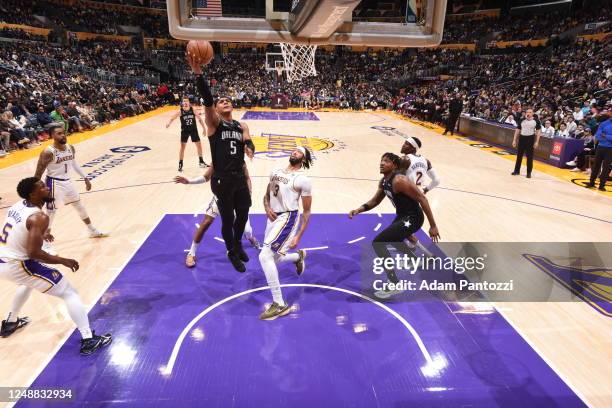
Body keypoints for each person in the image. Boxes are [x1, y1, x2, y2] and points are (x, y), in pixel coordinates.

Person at [0, 177, 111, 355]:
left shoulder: (18, 205)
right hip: (19, 264)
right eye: (43, 187)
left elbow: (20, 230)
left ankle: (10, 322)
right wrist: (63, 260)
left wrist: (40, 236)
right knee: (69, 292)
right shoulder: (40, 217)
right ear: (33, 194)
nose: (47, 188)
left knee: (27, 283)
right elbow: (33, 253)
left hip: (3, 260)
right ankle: (88, 340)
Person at [188, 50, 255, 272]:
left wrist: (250, 146)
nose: (225, 101)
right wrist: (198, 74)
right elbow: (207, 99)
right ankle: (231, 252)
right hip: (221, 180)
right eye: (221, 101)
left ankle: (237, 244)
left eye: (228, 100)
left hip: (238, 177)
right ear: (215, 110)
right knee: (227, 220)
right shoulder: (214, 124)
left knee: (243, 215)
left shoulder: (240, 125)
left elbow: (248, 140)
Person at [349, 153, 440, 299]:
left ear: (395, 165)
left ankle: (395, 283)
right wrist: (359, 209)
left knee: (379, 242)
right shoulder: (384, 181)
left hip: (413, 218)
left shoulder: (399, 180)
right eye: (381, 160)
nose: (382, 163)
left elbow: (422, 198)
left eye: (387, 161)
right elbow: (375, 201)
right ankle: (415, 261)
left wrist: (433, 225)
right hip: (403, 217)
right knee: (392, 238)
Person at [33, 124, 108, 255]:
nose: (63, 135)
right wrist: (36, 191)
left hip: (68, 182)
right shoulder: (48, 152)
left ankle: (91, 230)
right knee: (51, 212)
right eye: (59, 133)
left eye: (63, 133)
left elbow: (74, 164)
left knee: (79, 206)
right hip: (54, 183)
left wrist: (85, 177)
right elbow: (38, 172)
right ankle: (44, 243)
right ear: (52, 136)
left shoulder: (70, 148)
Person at [259, 147, 312, 320]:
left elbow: (306, 211)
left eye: (299, 152)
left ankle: (280, 304)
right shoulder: (275, 171)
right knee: (274, 258)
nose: (295, 153)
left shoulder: (302, 179)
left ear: (303, 159)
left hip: (288, 217)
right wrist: (266, 207)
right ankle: (298, 257)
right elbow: (266, 194)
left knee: (264, 256)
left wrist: (299, 236)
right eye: (294, 151)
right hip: (272, 217)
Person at [174, 164, 260, 268]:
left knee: (247, 231)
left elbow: (247, 178)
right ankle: (191, 253)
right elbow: (206, 177)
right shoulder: (217, 159)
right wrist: (189, 181)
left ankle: (249, 237)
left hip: (237, 198)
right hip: (221, 197)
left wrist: (248, 193)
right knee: (206, 222)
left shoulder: (239, 160)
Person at [399, 136, 440, 255]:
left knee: (401, 228)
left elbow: (397, 179)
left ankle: (426, 254)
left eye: (406, 144)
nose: (403, 145)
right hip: (417, 197)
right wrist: (426, 189)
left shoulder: (405, 159)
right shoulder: (425, 161)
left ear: (413, 148)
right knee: (405, 228)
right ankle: (414, 247)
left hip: (406, 199)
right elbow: (437, 180)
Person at [166, 97, 207, 172]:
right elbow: (173, 118)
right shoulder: (180, 111)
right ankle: (180, 163)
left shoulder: (193, 109)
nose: (185, 102)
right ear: (182, 103)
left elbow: (200, 119)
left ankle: (201, 161)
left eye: (186, 101)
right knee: (182, 147)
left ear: (189, 103)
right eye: (183, 101)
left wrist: (204, 128)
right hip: (185, 131)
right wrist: (169, 123)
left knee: (199, 145)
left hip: (193, 130)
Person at [511, 108, 541, 178]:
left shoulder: (536, 120)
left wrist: (537, 142)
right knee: (519, 156)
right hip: (522, 138)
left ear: (533, 113)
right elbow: (517, 130)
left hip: (530, 139)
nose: (528, 113)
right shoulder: (522, 120)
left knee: (529, 157)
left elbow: (538, 131)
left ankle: (528, 173)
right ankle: (516, 171)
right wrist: (514, 140)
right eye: (527, 112)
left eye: (530, 112)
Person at [587, 115, 612, 191]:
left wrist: (605, 135)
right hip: (600, 147)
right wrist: (608, 136)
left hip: (610, 149)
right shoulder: (603, 123)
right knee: (596, 165)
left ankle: (602, 185)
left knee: (606, 167)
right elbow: (598, 136)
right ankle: (591, 182)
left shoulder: (604, 125)